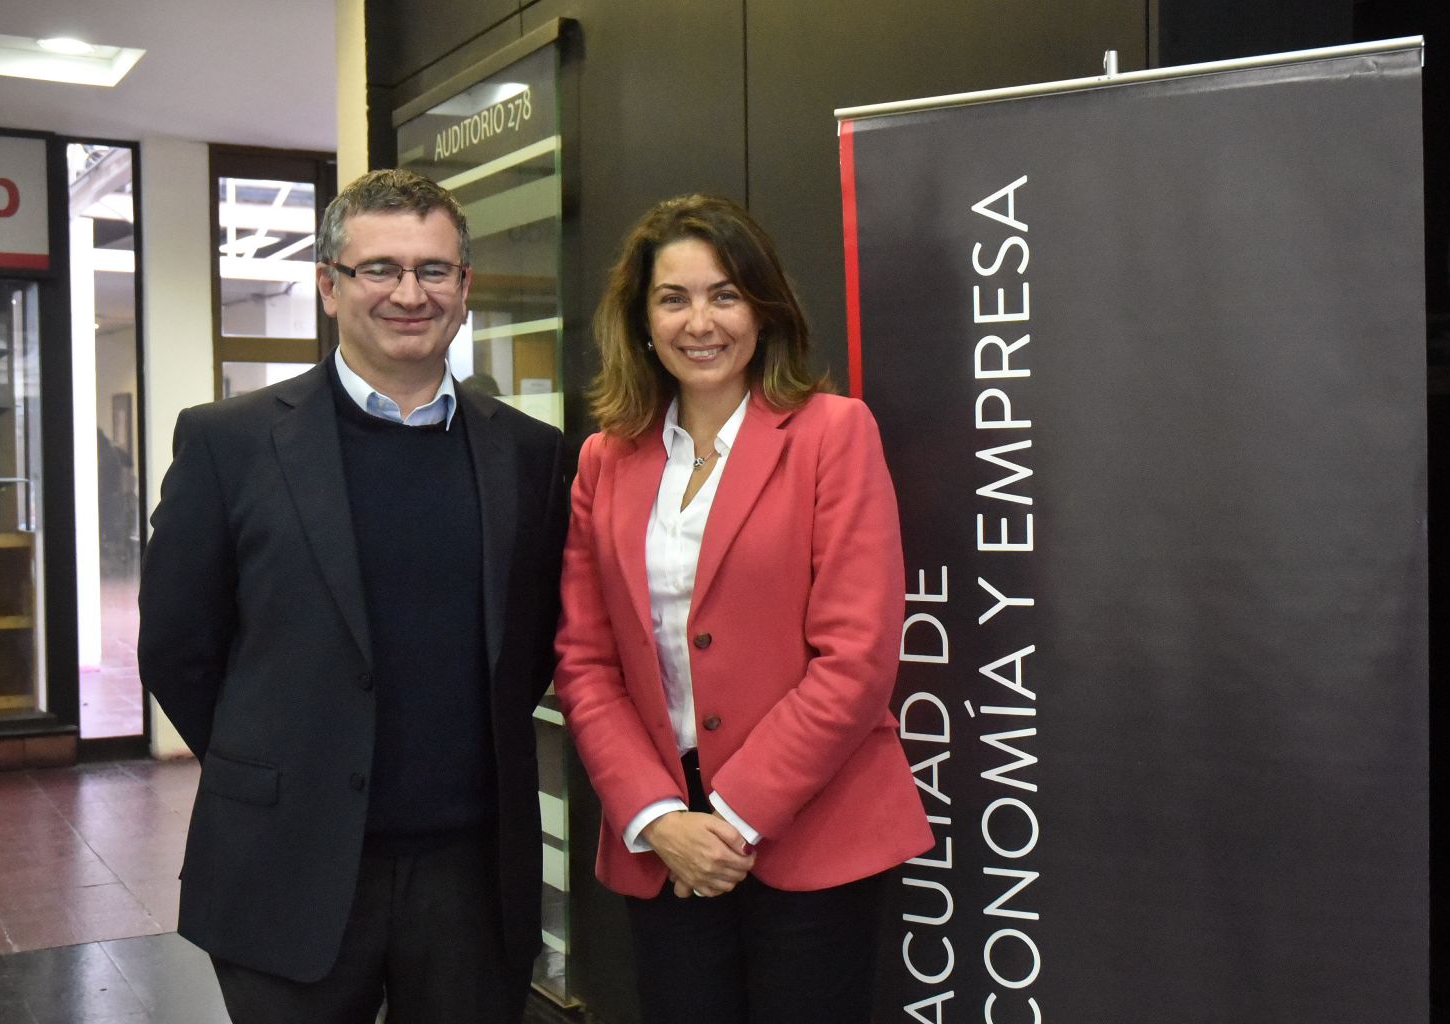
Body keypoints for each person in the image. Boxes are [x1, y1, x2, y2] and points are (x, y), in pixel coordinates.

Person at [138, 169, 566, 1024]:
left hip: (472, 877)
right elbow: (178, 647)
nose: (409, 293)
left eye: (433, 270)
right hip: (284, 861)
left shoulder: (532, 453)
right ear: (329, 286)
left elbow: (533, 646)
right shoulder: (230, 443)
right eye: (379, 269)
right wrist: (278, 759)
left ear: (464, 287)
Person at [554, 194, 933, 1023]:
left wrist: (728, 818)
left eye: (724, 295)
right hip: (665, 844)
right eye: (673, 298)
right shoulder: (604, 461)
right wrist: (659, 817)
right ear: (641, 319)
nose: (700, 322)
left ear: (763, 310)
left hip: (815, 834)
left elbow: (857, 658)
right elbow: (585, 662)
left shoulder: (833, 434)